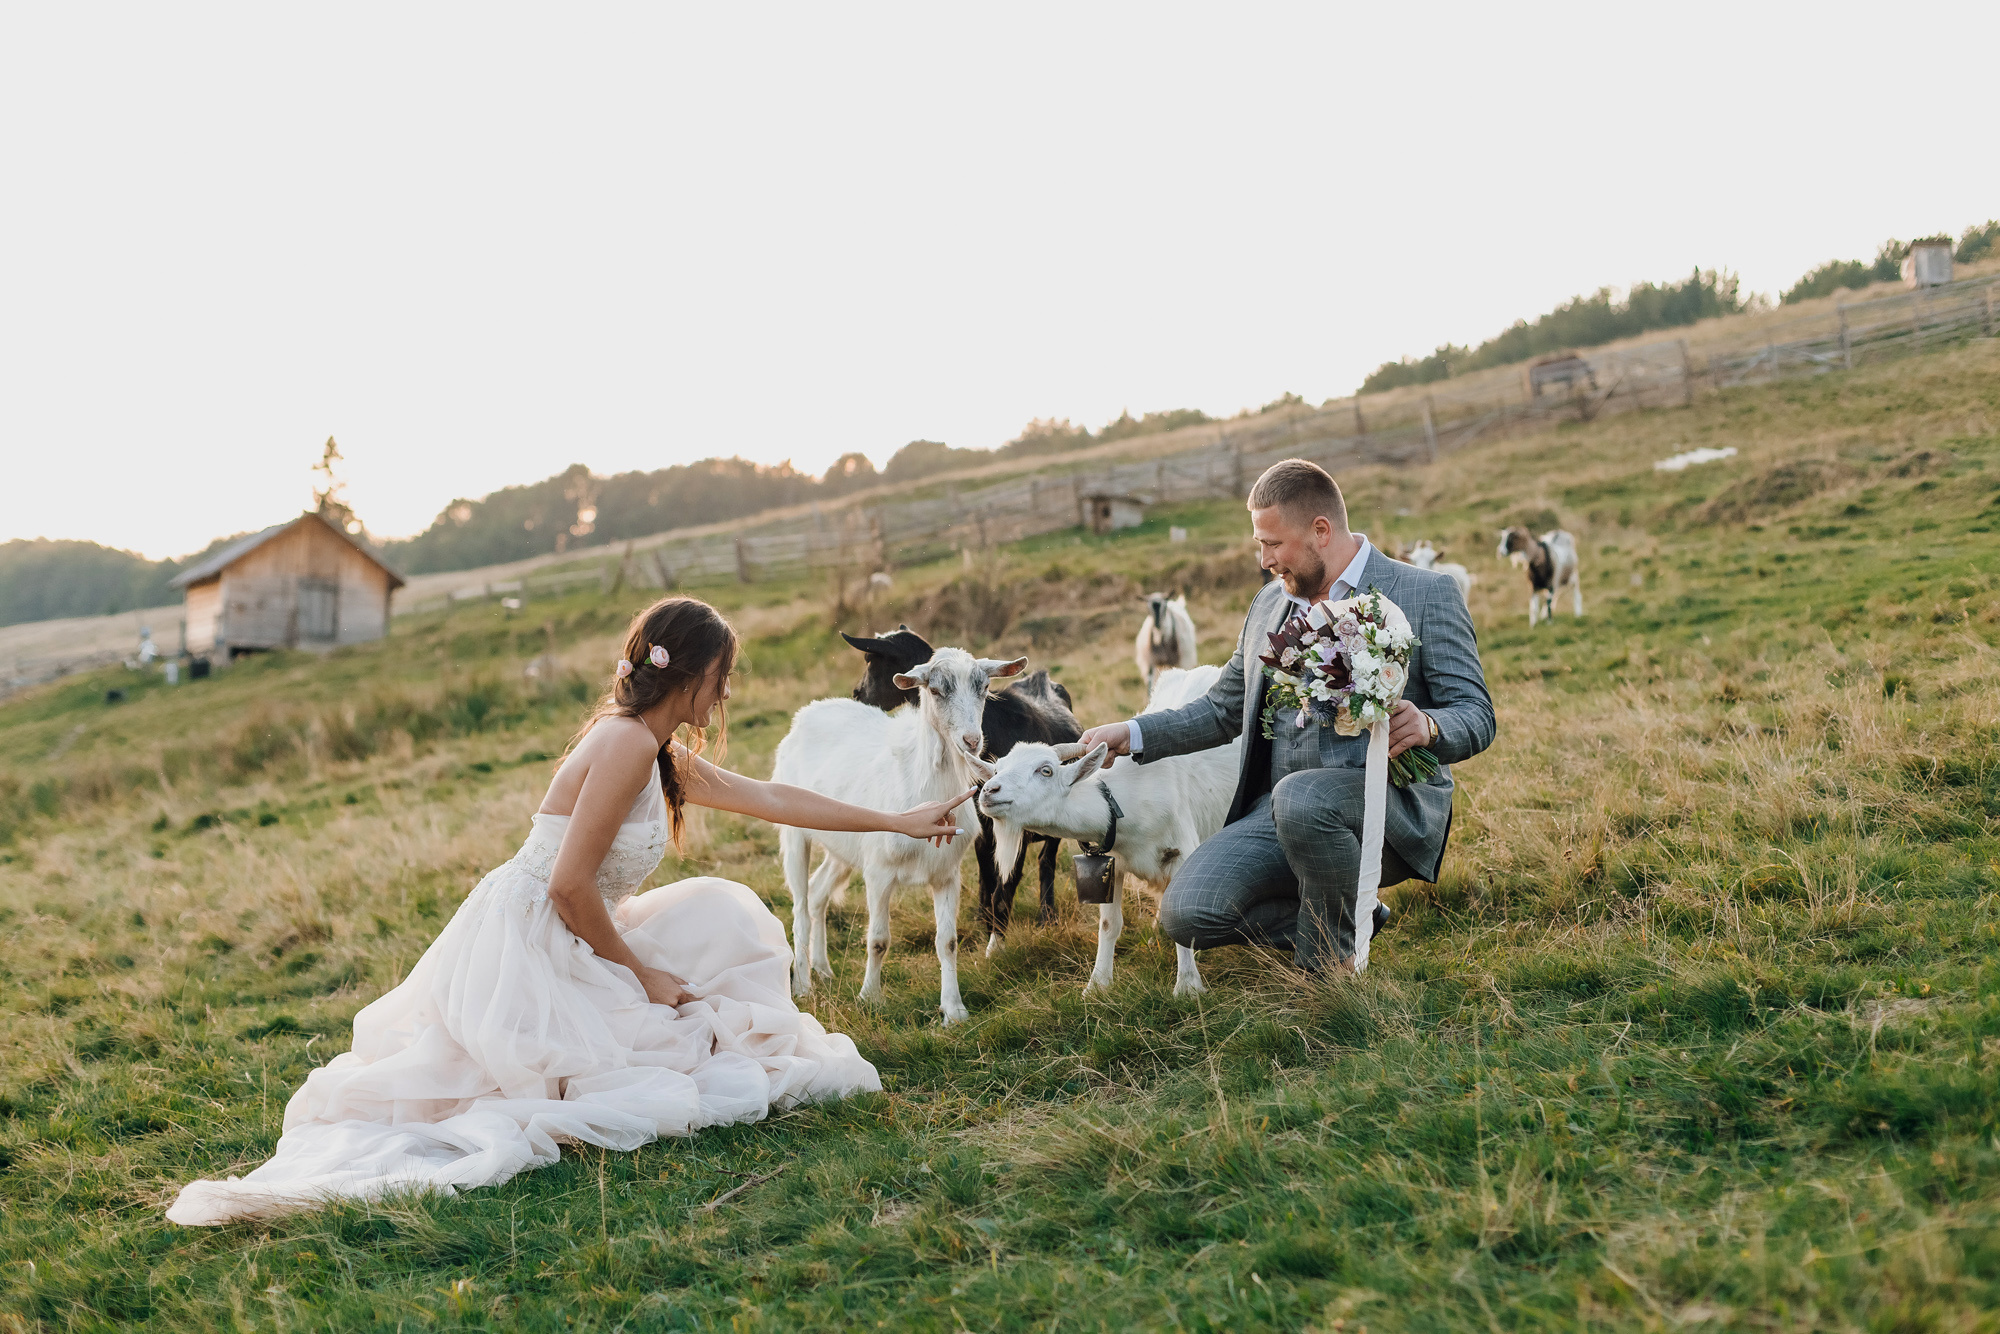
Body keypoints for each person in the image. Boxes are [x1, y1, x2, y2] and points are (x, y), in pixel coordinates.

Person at [167, 596, 975, 1226]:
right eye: (722, 673)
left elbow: (769, 797)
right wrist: (642, 975)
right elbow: (566, 887)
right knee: (634, 1052)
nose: (728, 690)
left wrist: (897, 820)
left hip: (578, 923)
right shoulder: (624, 745)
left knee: (726, 916)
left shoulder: (652, 746)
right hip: (534, 937)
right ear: (688, 674)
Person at [1077, 459, 1495, 975]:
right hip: (1276, 812)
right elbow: (1221, 709)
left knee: (1303, 797)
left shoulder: (1426, 593)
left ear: (1321, 531)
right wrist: (1133, 732)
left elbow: (1477, 714)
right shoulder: (1268, 606)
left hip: (1383, 809)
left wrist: (1430, 727)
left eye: (1272, 544)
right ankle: (1348, 912)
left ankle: (1327, 973)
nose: (1264, 560)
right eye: (1260, 544)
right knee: (1186, 913)